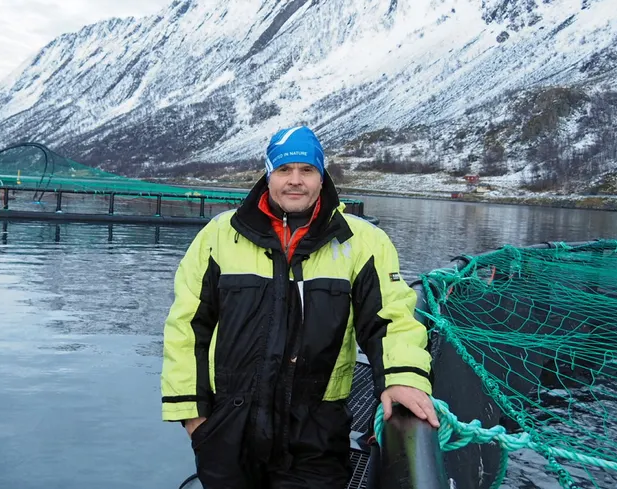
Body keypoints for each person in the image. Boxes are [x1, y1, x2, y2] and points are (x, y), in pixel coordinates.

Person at [160, 126, 438, 488]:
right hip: (229, 423)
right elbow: (186, 326)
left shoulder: (363, 241)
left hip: (317, 429)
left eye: (307, 170)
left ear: (321, 178)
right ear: (268, 174)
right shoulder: (218, 236)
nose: (295, 181)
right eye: (284, 170)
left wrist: (402, 378)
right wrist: (193, 416)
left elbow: (392, 319)